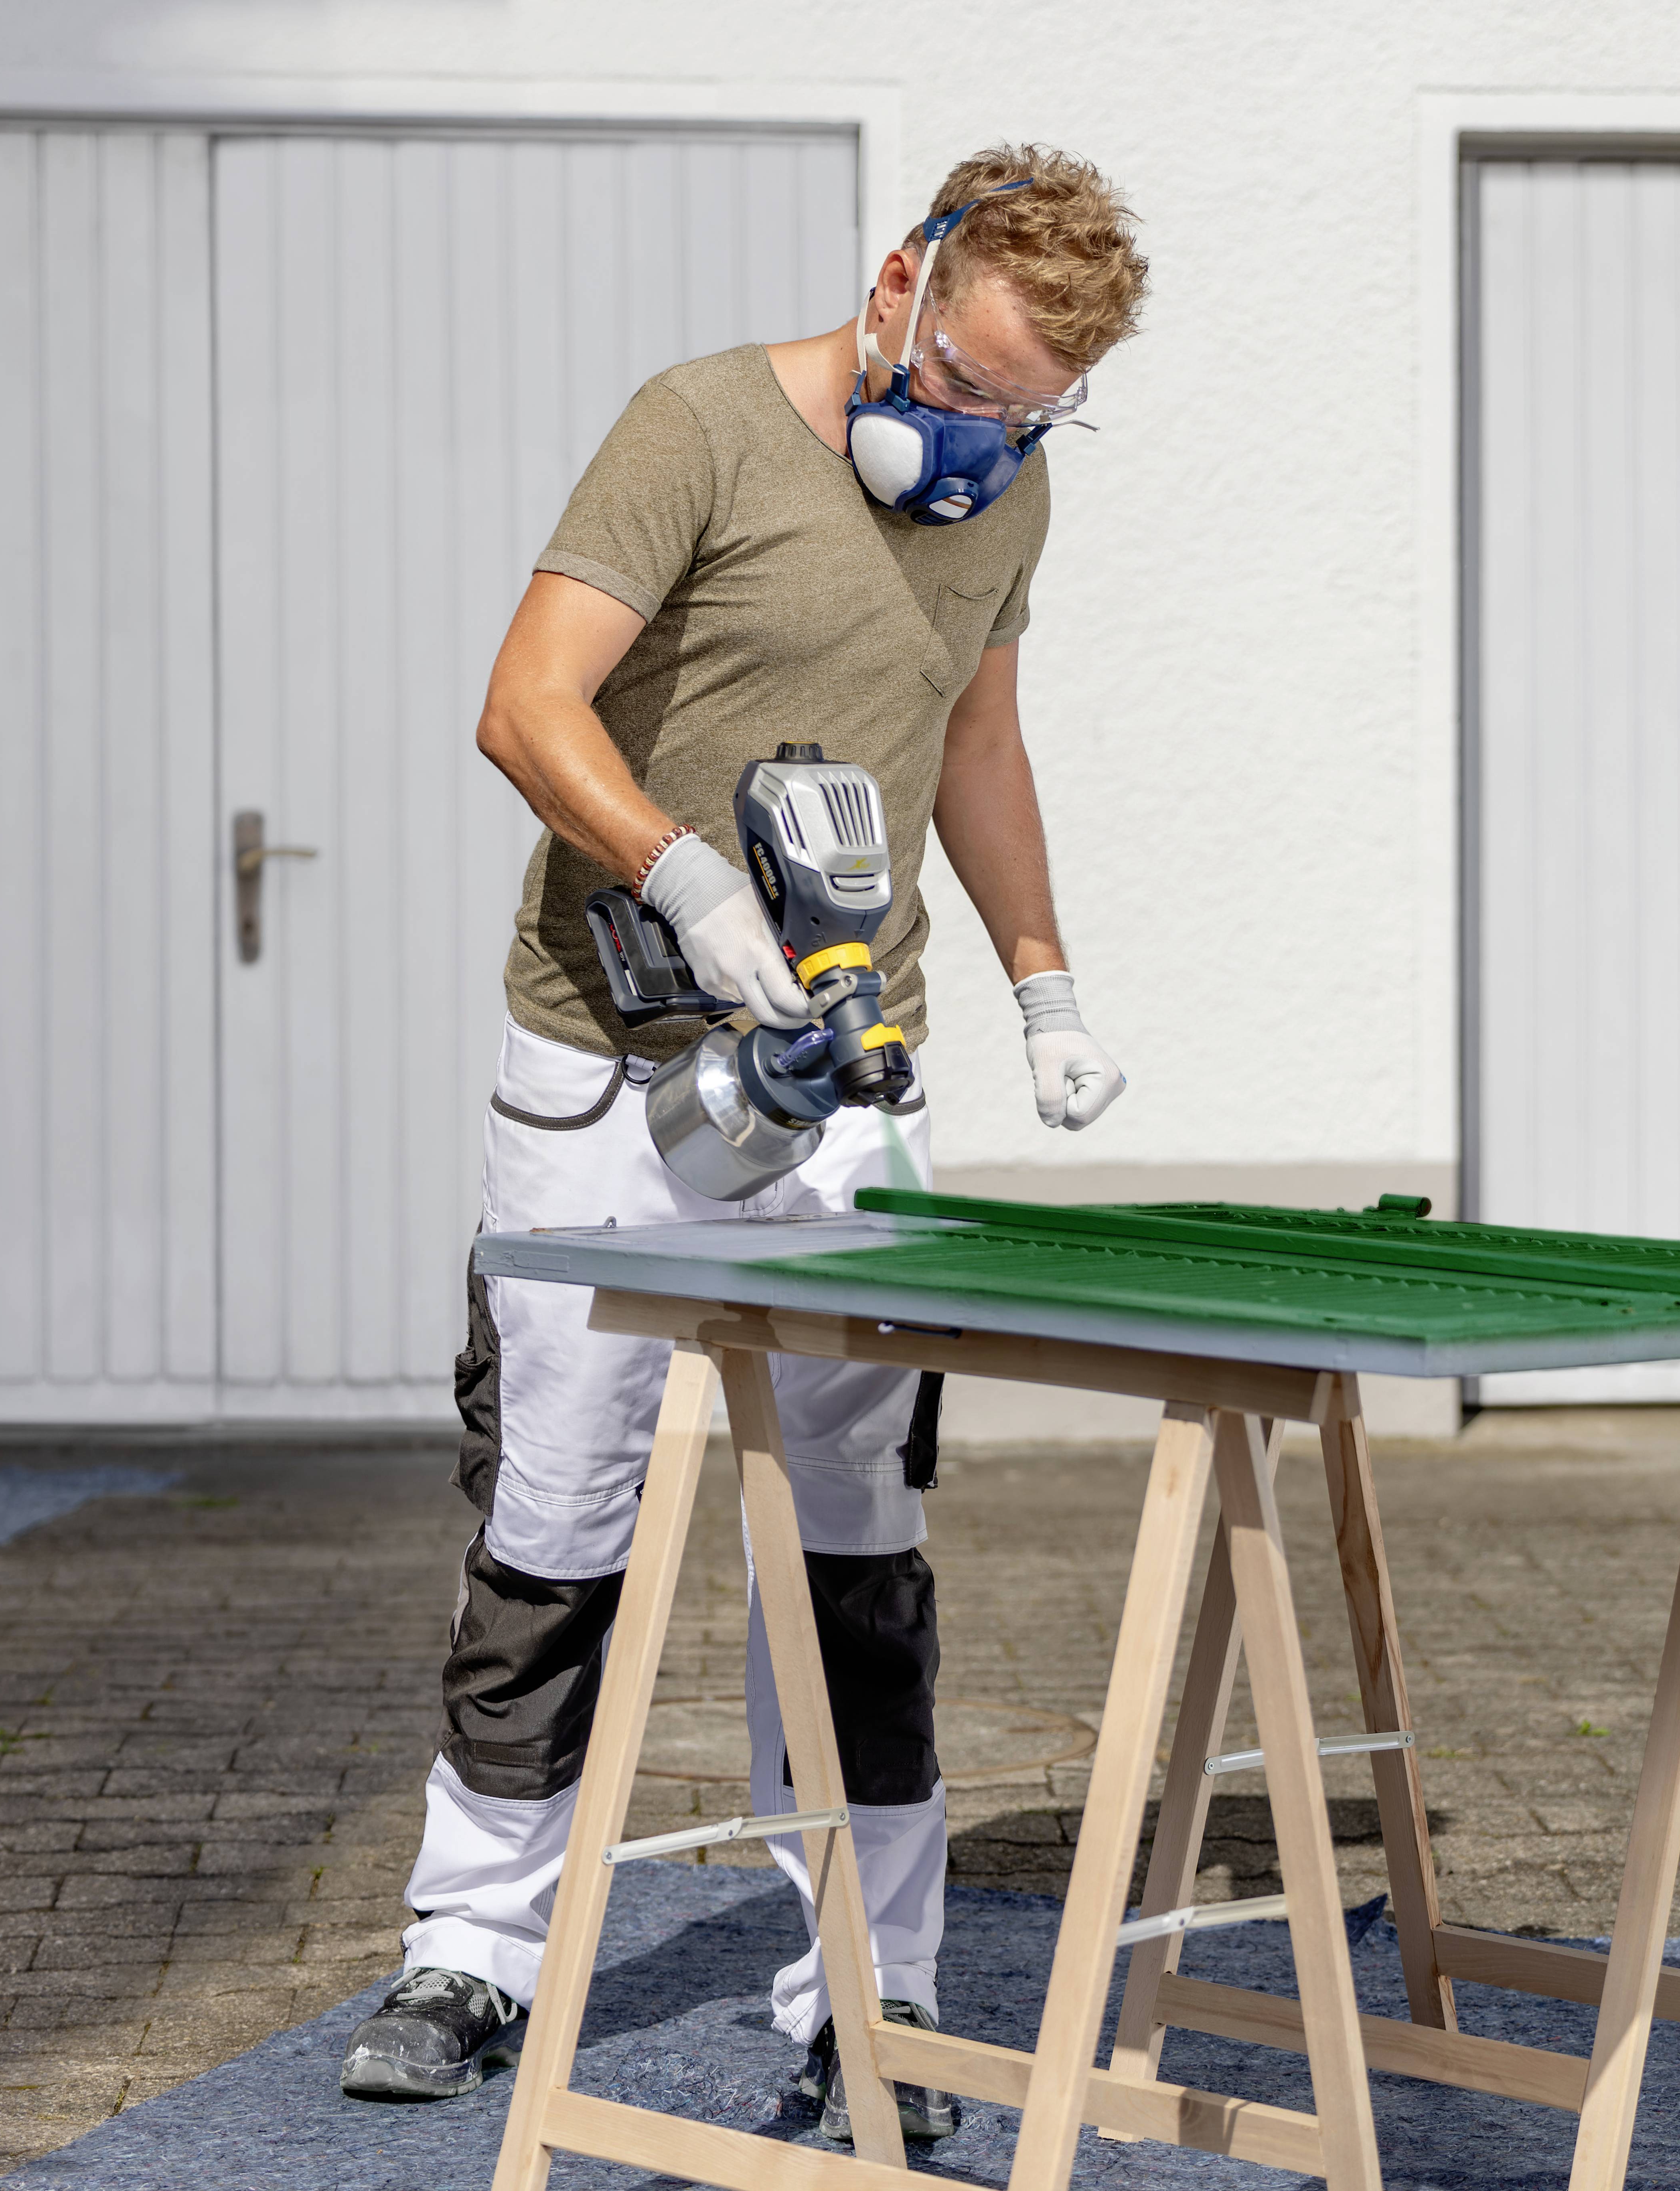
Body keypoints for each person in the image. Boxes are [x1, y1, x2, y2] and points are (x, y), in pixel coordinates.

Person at [335, 147, 1146, 2146]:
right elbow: (528, 705)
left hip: (841, 1076)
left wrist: (1043, 983)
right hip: (611, 1056)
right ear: (897, 284)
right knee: (556, 1515)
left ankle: (875, 1998)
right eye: (958, 383)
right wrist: (683, 879)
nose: (974, 441)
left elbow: (973, 744)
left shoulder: (1005, 489)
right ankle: (476, 1947)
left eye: (1025, 414)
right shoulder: (693, 424)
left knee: (855, 1549)